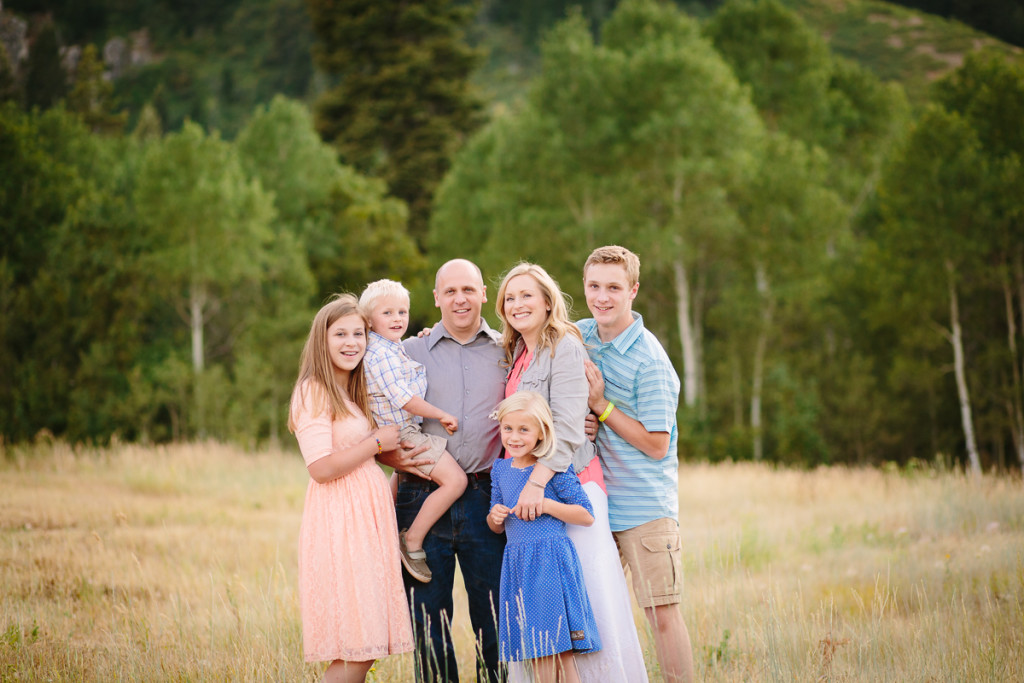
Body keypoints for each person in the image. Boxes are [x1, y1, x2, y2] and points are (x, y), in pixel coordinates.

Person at [495, 262, 649, 682]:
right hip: (531, 499)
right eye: (510, 297)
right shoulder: (516, 352)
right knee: (545, 613)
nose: (518, 304)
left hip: (570, 489)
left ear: (548, 302)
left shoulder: (564, 345)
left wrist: (537, 483)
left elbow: (565, 428)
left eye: (528, 295)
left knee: (588, 605)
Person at [377, 259, 508, 683]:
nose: (460, 299)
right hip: (421, 497)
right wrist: (391, 458)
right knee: (429, 623)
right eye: (449, 291)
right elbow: (371, 418)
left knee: (495, 620)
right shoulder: (406, 353)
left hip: (489, 498)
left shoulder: (509, 349)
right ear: (436, 298)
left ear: (484, 294)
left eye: (468, 289)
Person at [578, 245, 695, 683]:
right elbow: (530, 332)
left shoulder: (651, 361)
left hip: (646, 510)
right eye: (594, 286)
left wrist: (601, 407)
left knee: (661, 614)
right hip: (597, 505)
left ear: (634, 291)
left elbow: (656, 444)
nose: (602, 297)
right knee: (598, 612)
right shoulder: (582, 335)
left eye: (613, 287)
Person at [287, 294, 414, 683]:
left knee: (365, 645)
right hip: (340, 523)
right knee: (361, 644)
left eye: (358, 333)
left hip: (365, 521)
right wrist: (376, 443)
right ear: (321, 341)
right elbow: (321, 468)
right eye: (339, 334)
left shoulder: (351, 392)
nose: (350, 342)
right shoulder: (314, 390)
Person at [359, 279, 468, 583]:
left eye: (402, 312)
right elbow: (403, 398)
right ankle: (412, 540)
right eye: (388, 313)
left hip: (401, 429)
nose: (397, 319)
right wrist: (441, 414)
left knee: (399, 482)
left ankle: (384, 534)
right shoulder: (379, 355)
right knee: (455, 481)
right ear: (369, 320)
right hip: (403, 431)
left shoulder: (393, 348)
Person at [487, 391, 599, 683]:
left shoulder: (553, 469)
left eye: (524, 429)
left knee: (554, 652)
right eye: (507, 428)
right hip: (518, 567)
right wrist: (495, 517)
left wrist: (547, 505)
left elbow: (586, 515)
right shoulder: (500, 470)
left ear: (541, 433)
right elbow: (495, 525)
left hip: (550, 564)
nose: (514, 437)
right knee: (536, 651)